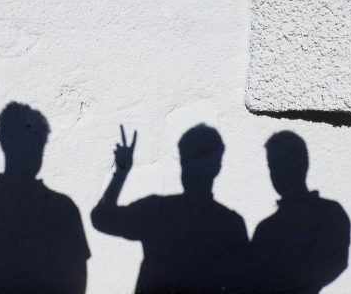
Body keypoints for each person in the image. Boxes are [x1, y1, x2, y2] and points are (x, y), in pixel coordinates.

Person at [0, 102, 90, 294]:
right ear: (4, 142)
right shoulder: (62, 207)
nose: (31, 152)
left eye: (37, 144)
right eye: (26, 143)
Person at [91, 124, 248, 293]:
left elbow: (102, 220)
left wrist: (121, 173)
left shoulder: (157, 209)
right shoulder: (230, 222)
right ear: (218, 167)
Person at [251, 131, 350, 294]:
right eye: (273, 165)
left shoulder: (331, 214)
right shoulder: (265, 230)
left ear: (303, 163)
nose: (279, 173)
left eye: (285, 163)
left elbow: (337, 262)